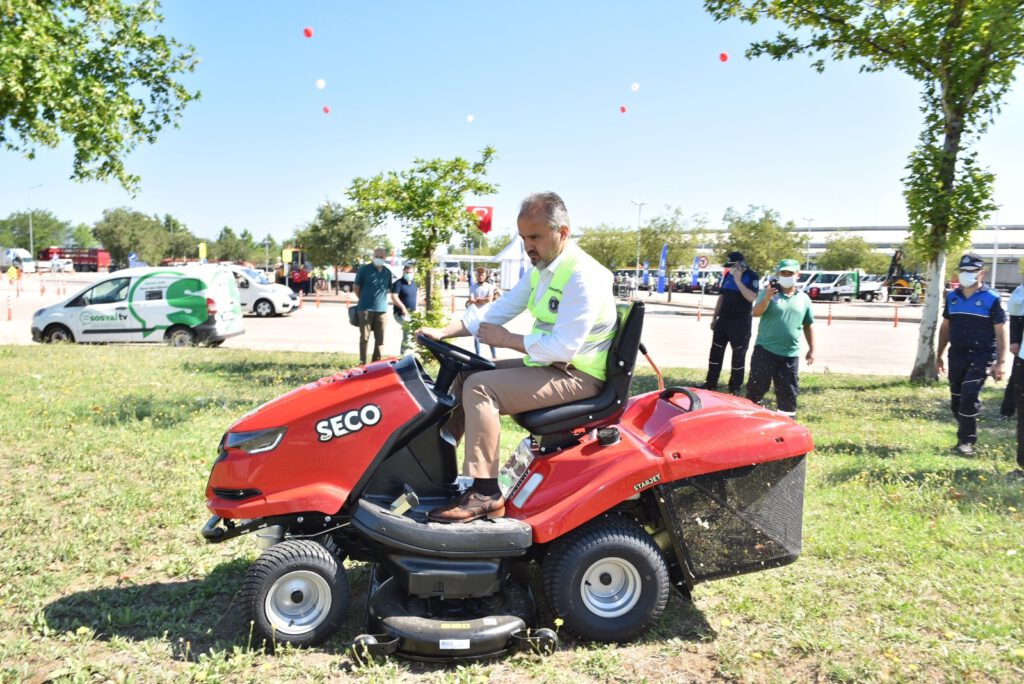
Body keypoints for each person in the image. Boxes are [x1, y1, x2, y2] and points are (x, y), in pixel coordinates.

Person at [418, 192, 617, 523]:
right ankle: (437, 461)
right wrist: (444, 332)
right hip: (553, 366)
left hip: (580, 376)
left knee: (481, 388)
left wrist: (508, 339)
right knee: (468, 374)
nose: (528, 245)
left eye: (535, 236)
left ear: (562, 233)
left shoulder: (583, 276)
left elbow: (565, 346)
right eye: (524, 237)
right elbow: (497, 311)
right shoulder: (544, 269)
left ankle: (485, 493)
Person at [936, 254, 1006, 456]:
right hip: (956, 354)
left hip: (981, 355)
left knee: (969, 395)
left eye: (972, 271)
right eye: (963, 271)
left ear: (981, 273)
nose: (967, 275)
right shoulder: (952, 297)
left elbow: (1001, 331)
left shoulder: (991, 298)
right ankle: (966, 427)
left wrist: (1000, 362)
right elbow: (945, 327)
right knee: (956, 399)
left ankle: (966, 441)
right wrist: (938, 355)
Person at [745, 259, 815, 418]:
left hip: (790, 354)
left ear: (798, 275)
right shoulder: (768, 293)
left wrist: (812, 349)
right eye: (783, 273)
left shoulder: (804, 298)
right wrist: (767, 298)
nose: (786, 276)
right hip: (765, 350)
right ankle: (750, 419)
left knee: (788, 392)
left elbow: (808, 325)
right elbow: (755, 313)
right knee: (757, 388)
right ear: (778, 274)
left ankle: (788, 424)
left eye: (790, 273)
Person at [700, 251, 759, 395]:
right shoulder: (727, 276)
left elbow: (751, 297)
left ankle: (735, 388)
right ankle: (711, 383)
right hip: (723, 321)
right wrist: (715, 318)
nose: (730, 269)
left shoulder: (751, 276)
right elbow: (721, 298)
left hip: (741, 324)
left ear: (740, 264)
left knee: (738, 356)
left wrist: (738, 280)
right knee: (715, 353)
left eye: (733, 266)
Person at [354, 248, 393, 365]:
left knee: (380, 340)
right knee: (364, 338)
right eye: (377, 256)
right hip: (365, 309)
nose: (379, 259)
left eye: (381, 257)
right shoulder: (364, 270)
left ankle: (376, 364)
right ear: (373, 256)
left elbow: (387, 289)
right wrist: (364, 300)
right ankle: (362, 363)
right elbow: (356, 288)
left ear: (385, 258)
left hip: (382, 310)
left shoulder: (387, 272)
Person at [1000, 283, 1024, 420]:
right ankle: (1007, 411)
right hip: (1022, 343)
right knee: (1017, 377)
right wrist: (1014, 340)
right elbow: (1015, 315)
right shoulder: (1021, 290)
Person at [467, 266, 499, 359]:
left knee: (490, 334)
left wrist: (477, 299)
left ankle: (494, 355)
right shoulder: (473, 286)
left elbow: (489, 299)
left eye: (482, 274)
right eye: (479, 274)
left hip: (487, 313)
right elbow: (471, 300)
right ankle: (477, 356)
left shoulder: (489, 286)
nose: (480, 276)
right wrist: (481, 299)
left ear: (485, 276)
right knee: (476, 335)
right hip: (475, 313)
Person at [390, 263, 419, 355]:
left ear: (414, 273)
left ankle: (409, 353)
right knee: (408, 331)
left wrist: (417, 308)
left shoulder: (414, 284)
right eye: (407, 272)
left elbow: (416, 296)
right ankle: (404, 354)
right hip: (401, 314)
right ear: (403, 272)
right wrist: (403, 307)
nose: (408, 274)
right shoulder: (398, 283)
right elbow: (394, 297)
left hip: (412, 313)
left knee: (412, 333)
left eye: (410, 272)